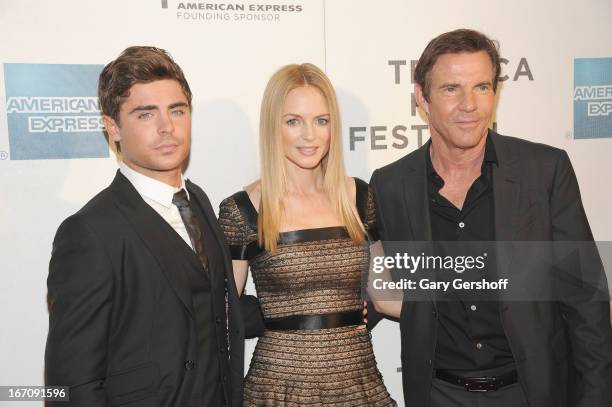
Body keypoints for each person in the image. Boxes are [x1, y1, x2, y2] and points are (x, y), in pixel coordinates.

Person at [369, 29, 612, 406]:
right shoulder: (389, 186)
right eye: (451, 89)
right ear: (422, 97)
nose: (469, 104)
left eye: (481, 87)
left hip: (531, 393)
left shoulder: (545, 171)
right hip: (438, 395)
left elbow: (586, 301)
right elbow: (360, 287)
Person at [45, 46, 261, 407]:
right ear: (112, 127)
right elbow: (70, 387)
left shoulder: (200, 202)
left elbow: (213, 309)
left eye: (177, 110)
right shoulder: (88, 233)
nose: (167, 127)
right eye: (146, 115)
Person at [218, 63, 396, 406]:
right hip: (278, 389)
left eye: (321, 120)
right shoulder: (243, 209)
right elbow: (224, 314)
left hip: (359, 386)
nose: (309, 136)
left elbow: (385, 295)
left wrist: (459, 303)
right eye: (293, 121)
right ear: (274, 126)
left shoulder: (358, 197)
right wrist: (277, 316)